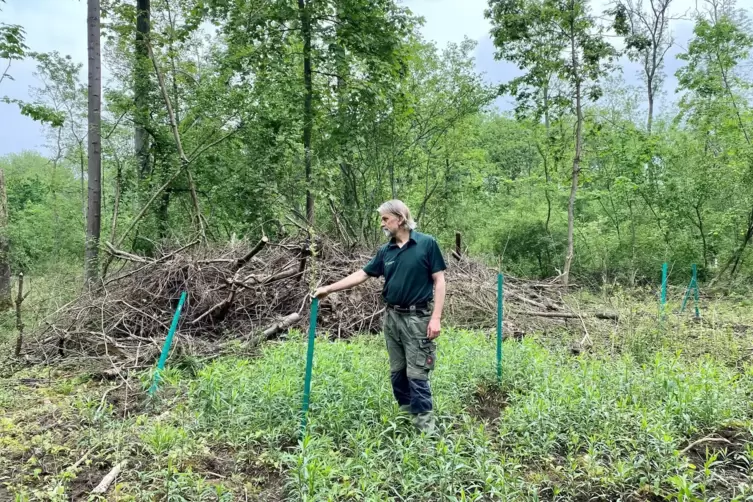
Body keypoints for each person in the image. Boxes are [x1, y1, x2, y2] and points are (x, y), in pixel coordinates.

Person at [313, 200, 447, 434]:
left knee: (417, 375)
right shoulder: (386, 251)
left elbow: (440, 280)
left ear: (401, 218)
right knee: (397, 373)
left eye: (385, 219)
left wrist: (436, 318)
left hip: (418, 318)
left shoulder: (426, 244)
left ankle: (426, 433)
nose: (382, 224)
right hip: (392, 318)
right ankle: (406, 420)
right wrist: (329, 288)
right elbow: (362, 274)